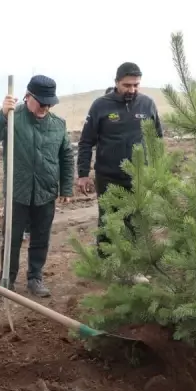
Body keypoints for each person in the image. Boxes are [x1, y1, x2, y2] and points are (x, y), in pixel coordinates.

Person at [0, 75, 74, 299]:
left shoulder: (58, 125)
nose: (45, 107)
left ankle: (35, 278)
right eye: (41, 102)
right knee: (12, 237)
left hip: (46, 190)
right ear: (27, 97)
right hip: (18, 190)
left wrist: (66, 188)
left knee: (41, 237)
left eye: (49, 103)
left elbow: (67, 157)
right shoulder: (14, 118)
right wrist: (3, 113)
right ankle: (7, 280)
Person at [76, 62, 162, 284]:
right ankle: (105, 265)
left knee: (136, 221)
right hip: (108, 175)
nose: (132, 90)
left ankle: (133, 268)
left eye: (136, 85)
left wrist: (158, 171)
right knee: (108, 221)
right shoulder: (100, 106)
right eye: (127, 85)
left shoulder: (147, 104)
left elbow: (157, 140)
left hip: (138, 176)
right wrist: (83, 173)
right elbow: (86, 142)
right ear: (116, 82)